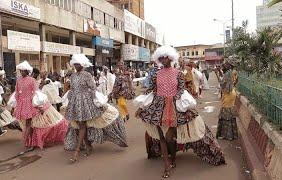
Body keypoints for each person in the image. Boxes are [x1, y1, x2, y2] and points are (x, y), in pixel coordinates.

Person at [136, 46, 225, 178]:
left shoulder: (178, 73)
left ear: (170, 58)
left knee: (169, 137)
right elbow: (153, 90)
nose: (163, 60)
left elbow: (181, 89)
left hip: (174, 107)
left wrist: (174, 99)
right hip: (158, 107)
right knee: (161, 138)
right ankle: (167, 166)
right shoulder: (156, 74)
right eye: (160, 58)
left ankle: (173, 158)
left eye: (165, 57)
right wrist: (143, 105)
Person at [64, 54, 127, 163]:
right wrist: (68, 101)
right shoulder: (73, 76)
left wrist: (95, 101)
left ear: (82, 64)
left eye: (78, 64)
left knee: (83, 125)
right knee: (80, 125)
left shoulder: (87, 75)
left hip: (86, 102)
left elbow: (92, 88)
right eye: (75, 64)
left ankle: (77, 152)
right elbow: (72, 89)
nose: (76, 66)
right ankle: (88, 145)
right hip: (75, 103)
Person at [13, 61, 68, 150]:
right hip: (23, 105)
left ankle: (28, 144)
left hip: (30, 105)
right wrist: (17, 105)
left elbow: (35, 94)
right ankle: (29, 143)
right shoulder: (19, 80)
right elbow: (17, 94)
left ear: (27, 71)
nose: (21, 72)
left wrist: (38, 107)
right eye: (20, 71)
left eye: (23, 70)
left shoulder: (31, 80)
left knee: (29, 124)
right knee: (29, 124)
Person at [215, 58, 239, 140]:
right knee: (230, 113)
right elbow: (233, 81)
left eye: (226, 63)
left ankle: (228, 135)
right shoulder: (233, 72)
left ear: (229, 65)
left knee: (226, 114)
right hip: (232, 92)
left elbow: (222, 84)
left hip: (227, 95)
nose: (224, 64)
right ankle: (233, 134)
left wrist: (217, 74)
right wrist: (220, 72)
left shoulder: (228, 74)